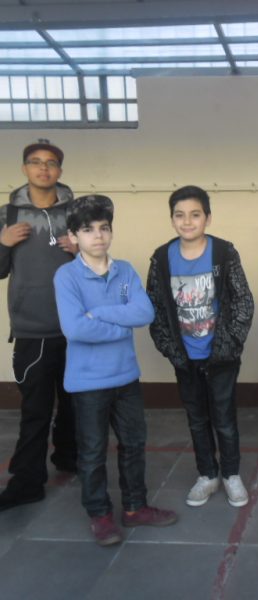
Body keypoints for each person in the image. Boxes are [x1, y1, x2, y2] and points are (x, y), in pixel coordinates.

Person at [54, 195, 177, 546]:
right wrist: (121, 327)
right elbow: (75, 329)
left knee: (134, 444)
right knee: (92, 452)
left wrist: (100, 314)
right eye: (88, 229)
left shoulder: (125, 270)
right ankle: (100, 515)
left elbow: (145, 312)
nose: (98, 235)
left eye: (104, 228)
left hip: (125, 376)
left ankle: (135, 507)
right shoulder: (66, 276)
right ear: (74, 237)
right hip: (88, 382)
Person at [146, 185, 254, 509]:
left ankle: (231, 474)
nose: (187, 221)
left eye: (195, 215)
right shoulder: (162, 258)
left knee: (224, 419)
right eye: (179, 215)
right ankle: (207, 474)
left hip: (221, 356)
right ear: (172, 219)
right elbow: (155, 308)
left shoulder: (223, 253)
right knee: (196, 418)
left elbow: (243, 301)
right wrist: (172, 350)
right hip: (186, 358)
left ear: (208, 217)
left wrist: (229, 345)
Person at [0, 139, 78, 512]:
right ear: (25, 168)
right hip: (33, 330)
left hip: (76, 328)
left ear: (59, 170)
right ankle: (28, 482)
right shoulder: (8, 214)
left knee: (75, 404)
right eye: (35, 161)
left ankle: (69, 457)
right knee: (36, 411)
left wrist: (82, 251)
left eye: (50, 162)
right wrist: (2, 243)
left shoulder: (76, 213)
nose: (43, 168)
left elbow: (100, 264)